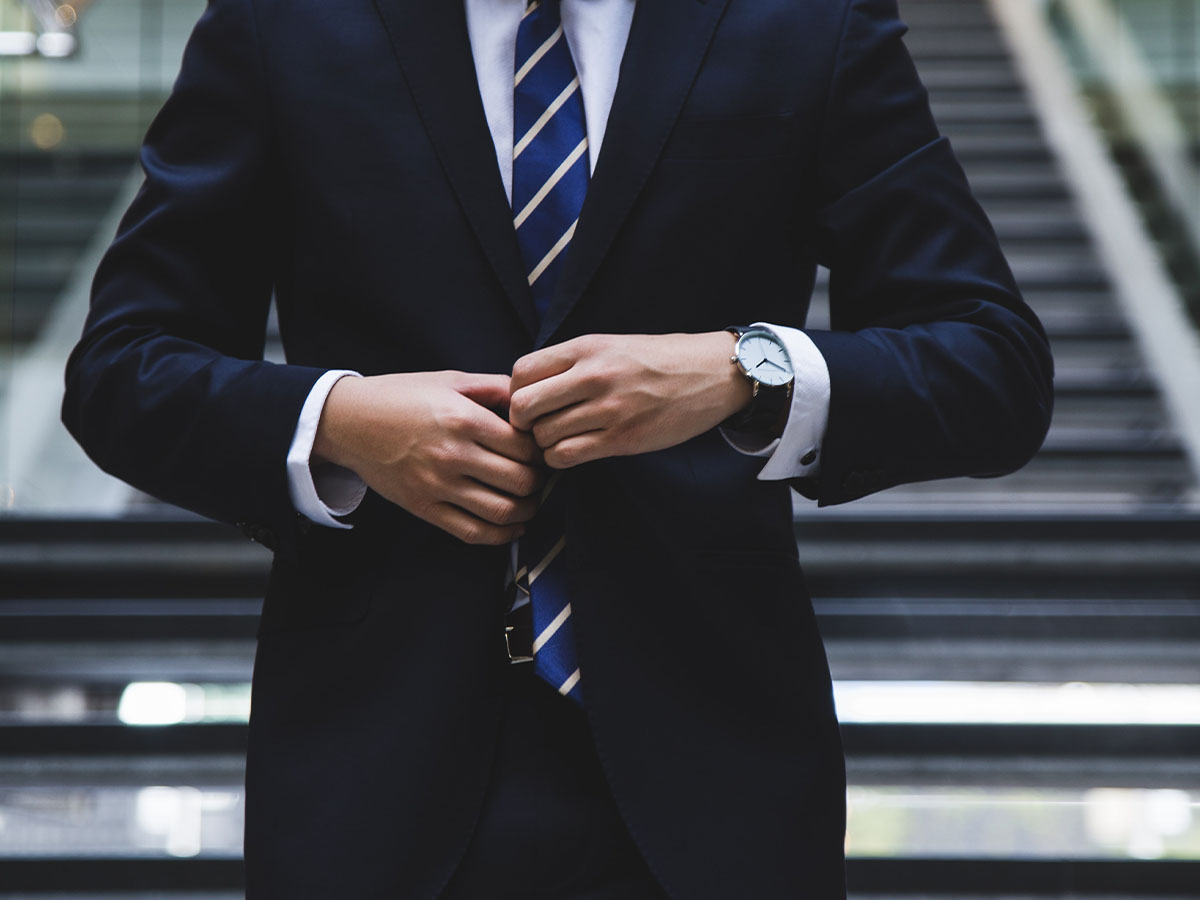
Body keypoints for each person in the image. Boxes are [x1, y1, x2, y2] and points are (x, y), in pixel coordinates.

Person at [62, 0, 1054, 897]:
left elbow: (992, 366)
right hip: (371, 763)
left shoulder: (803, 21)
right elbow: (120, 370)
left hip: (715, 771)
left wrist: (747, 370)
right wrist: (340, 423)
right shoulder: (285, 23)